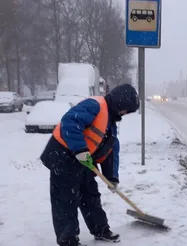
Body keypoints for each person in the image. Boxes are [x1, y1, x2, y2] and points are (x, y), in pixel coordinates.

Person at [40, 83, 140, 246]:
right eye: (125, 109)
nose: (125, 113)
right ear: (119, 103)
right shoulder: (94, 105)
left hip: (83, 161)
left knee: (90, 196)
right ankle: (68, 239)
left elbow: (110, 152)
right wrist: (80, 149)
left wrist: (112, 178)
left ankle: (101, 229)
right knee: (66, 200)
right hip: (63, 156)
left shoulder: (110, 123)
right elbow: (70, 122)